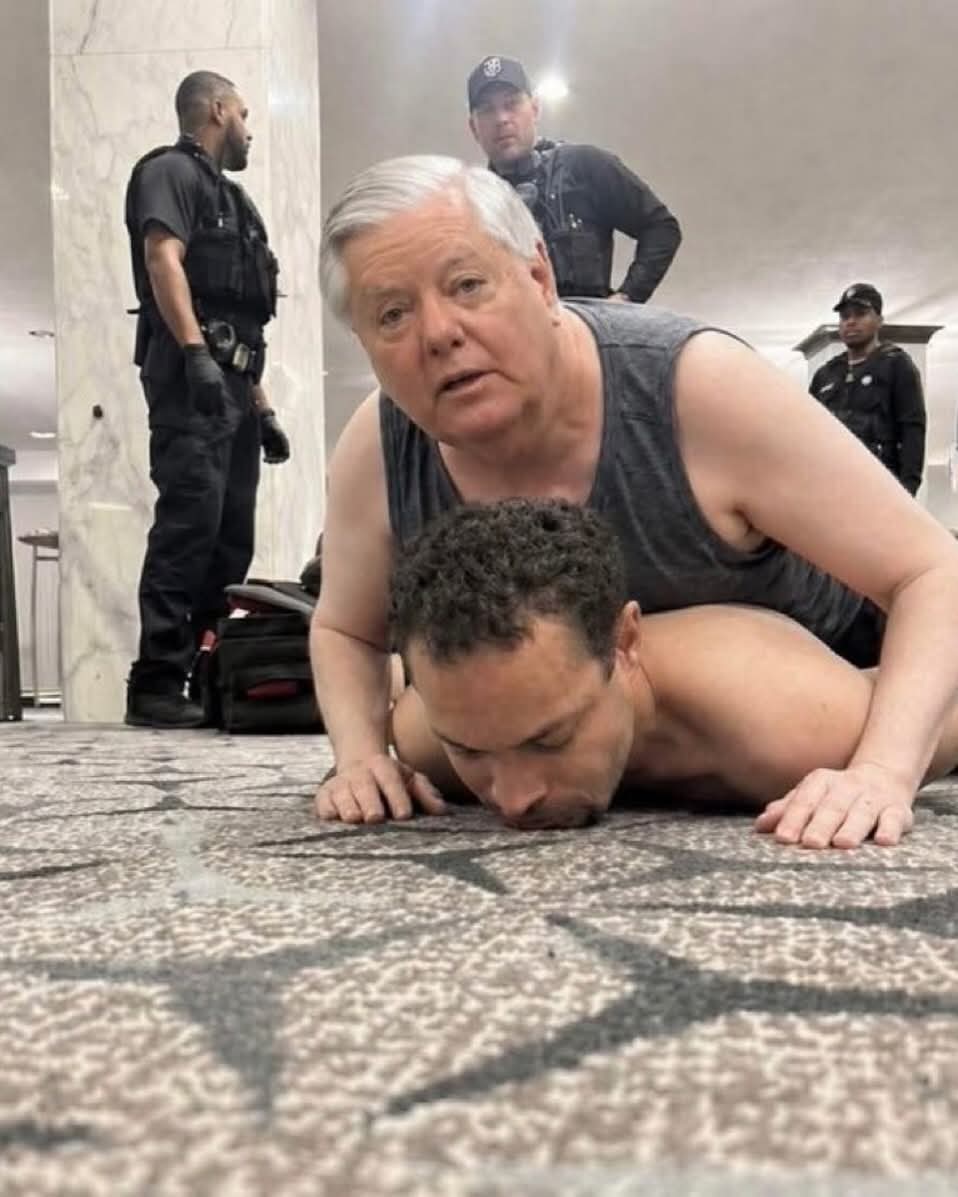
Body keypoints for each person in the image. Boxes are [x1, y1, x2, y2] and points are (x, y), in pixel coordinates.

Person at [311, 153, 958, 847]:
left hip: (815, 669)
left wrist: (882, 769)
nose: (438, 333)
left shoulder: (700, 389)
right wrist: (361, 754)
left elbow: (932, 570)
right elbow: (346, 628)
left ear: (539, 278)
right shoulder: (378, 446)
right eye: (393, 314)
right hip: (584, 700)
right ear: (365, 344)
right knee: (425, 725)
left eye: (467, 285)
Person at [343, 498, 958, 846]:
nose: (512, 799)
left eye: (549, 739)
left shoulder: (788, 723)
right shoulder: (426, 737)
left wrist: (884, 773)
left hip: (842, 606)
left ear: (624, 644)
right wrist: (363, 761)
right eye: (471, 751)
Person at [123, 70, 290, 728]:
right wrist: (194, 354)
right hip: (190, 381)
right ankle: (155, 682)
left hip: (234, 388)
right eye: (244, 113)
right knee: (188, 525)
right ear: (218, 110)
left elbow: (240, 321)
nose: (249, 129)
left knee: (230, 537)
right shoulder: (169, 173)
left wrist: (263, 409)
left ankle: (200, 673)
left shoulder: (237, 203)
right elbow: (162, 258)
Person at [466, 55, 680, 302]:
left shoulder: (585, 166)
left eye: (511, 103)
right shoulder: (470, 204)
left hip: (586, 322)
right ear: (474, 127)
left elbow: (661, 228)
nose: (501, 118)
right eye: (487, 110)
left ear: (535, 109)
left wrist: (626, 299)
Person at [810, 284, 926, 495]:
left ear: (879, 320)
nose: (851, 322)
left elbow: (912, 429)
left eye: (860, 314)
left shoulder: (896, 365)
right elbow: (809, 432)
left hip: (879, 485)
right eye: (845, 316)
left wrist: (907, 490)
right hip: (830, 486)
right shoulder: (826, 374)